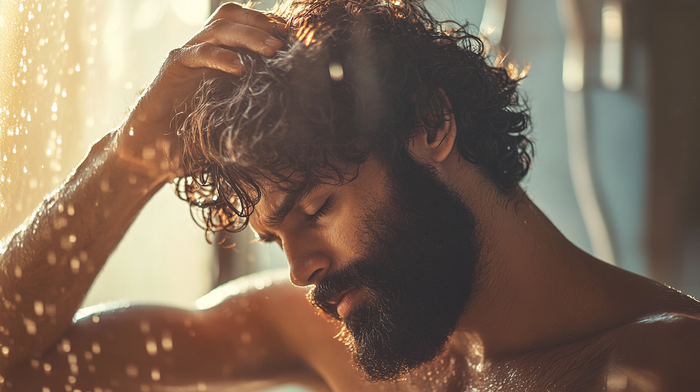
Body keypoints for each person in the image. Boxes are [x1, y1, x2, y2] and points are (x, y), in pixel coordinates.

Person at [1, 0, 700, 390]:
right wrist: (127, 161)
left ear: (431, 124)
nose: (301, 270)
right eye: (276, 239)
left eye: (315, 211)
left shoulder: (660, 370)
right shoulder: (339, 340)